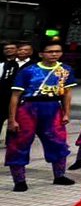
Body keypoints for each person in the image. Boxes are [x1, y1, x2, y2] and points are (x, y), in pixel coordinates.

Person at [6, 38, 76, 191]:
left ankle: (59, 176)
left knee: (58, 142)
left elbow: (67, 94)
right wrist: (12, 119)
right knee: (19, 143)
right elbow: (15, 96)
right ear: (41, 54)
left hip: (53, 108)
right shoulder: (28, 71)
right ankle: (19, 181)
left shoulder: (66, 70)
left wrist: (66, 113)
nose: (54, 54)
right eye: (50, 52)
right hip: (28, 108)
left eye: (57, 51)